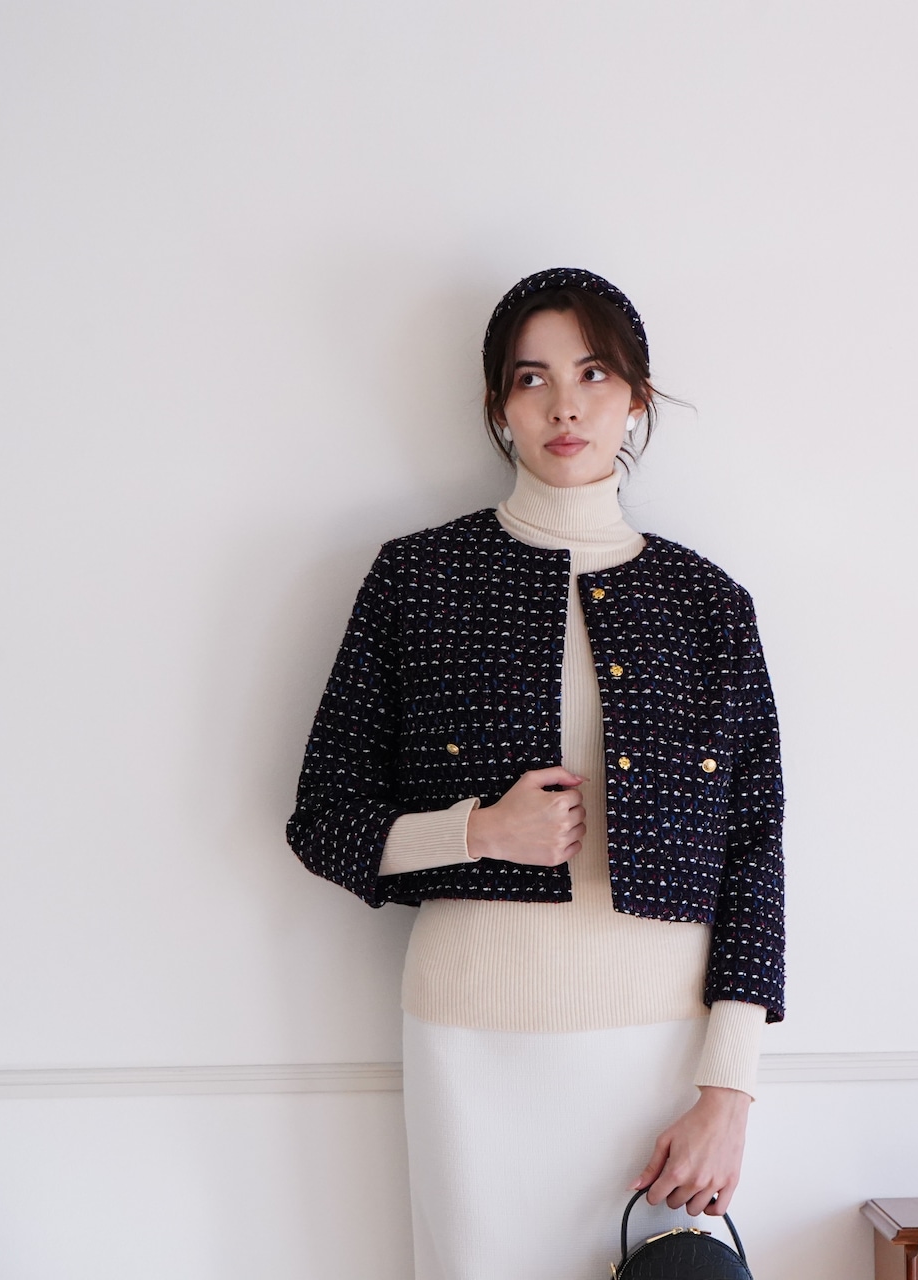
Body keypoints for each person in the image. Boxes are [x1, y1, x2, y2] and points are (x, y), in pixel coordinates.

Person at [286, 267, 785, 1280]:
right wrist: (476, 831)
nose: (564, 404)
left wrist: (728, 1091)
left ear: (635, 396)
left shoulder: (707, 603)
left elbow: (753, 849)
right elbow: (323, 817)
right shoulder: (415, 578)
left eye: (594, 372)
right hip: (473, 1041)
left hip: (664, 1058)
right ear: (498, 405)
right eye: (531, 377)